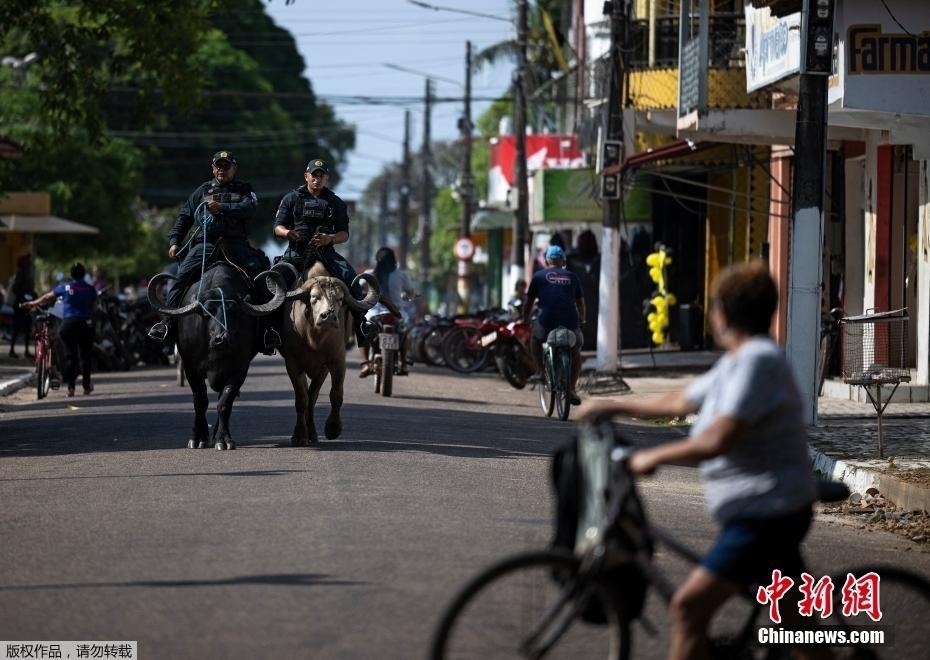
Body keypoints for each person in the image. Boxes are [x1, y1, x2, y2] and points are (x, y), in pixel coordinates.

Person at [577, 261, 819, 660]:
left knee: (689, 608)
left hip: (766, 512)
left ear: (723, 312)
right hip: (766, 507)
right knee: (798, 628)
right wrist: (612, 404)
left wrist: (649, 456)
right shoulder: (737, 362)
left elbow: (719, 439)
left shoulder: (758, 361)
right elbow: (679, 400)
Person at [148, 150, 277, 351]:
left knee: (261, 277)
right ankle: (166, 325)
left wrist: (222, 207)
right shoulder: (202, 190)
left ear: (234, 168)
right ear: (213, 168)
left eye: (226, 166)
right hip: (205, 244)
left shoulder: (244, 189)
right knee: (180, 279)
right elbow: (184, 218)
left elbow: (249, 208)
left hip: (236, 245)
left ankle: (267, 330)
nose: (221, 169)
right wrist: (174, 241)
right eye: (218, 165)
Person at [273, 158, 374, 346]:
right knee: (272, 283)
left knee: (352, 280)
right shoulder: (291, 198)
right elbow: (277, 227)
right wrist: (288, 233)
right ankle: (269, 331)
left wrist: (331, 239)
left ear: (327, 178)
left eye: (321, 176)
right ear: (306, 176)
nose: (317, 179)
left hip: (326, 253)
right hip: (296, 253)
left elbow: (344, 234)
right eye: (314, 175)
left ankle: (362, 327)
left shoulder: (336, 202)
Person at [21, 263, 98, 397]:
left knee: (70, 356)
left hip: (68, 325)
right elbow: (94, 308)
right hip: (85, 324)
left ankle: (71, 388)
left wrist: (33, 303)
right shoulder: (90, 289)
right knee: (85, 356)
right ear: (84, 273)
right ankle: (86, 387)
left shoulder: (65, 287)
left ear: (71, 274)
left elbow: (47, 297)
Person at [523, 245, 585, 405]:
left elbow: (528, 302)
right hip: (570, 323)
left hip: (546, 322)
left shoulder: (539, 276)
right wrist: (582, 318)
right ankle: (571, 388)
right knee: (576, 351)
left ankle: (540, 372)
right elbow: (580, 303)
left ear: (546, 261)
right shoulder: (573, 276)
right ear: (563, 260)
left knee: (535, 340)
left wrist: (525, 318)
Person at [357, 247, 416, 378]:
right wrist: (412, 295)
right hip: (397, 314)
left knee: (362, 330)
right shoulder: (401, 275)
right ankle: (404, 362)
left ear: (377, 260)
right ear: (394, 260)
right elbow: (411, 292)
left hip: (374, 314)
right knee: (405, 333)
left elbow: (356, 288)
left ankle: (365, 364)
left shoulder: (369, 273)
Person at [7, 254, 35, 358]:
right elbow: (15, 288)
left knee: (27, 328)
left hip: (26, 304)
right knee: (17, 327)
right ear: (23, 263)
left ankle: (26, 351)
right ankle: (12, 350)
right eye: (28, 261)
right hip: (20, 305)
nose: (29, 263)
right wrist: (23, 295)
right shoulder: (21, 273)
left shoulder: (27, 273)